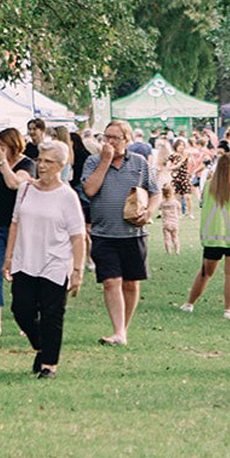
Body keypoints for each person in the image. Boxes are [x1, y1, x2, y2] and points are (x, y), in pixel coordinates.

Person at [3, 141, 86, 379]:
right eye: (40, 160)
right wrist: (8, 257)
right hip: (25, 259)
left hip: (55, 262)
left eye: (48, 161)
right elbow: (15, 223)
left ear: (61, 165)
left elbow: (78, 237)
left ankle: (49, 364)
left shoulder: (67, 196)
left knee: (52, 314)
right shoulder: (25, 189)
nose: (41, 165)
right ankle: (41, 345)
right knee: (21, 309)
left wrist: (78, 270)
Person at [81, 120, 161, 347]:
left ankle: (122, 330)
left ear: (127, 140)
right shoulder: (93, 161)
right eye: (106, 137)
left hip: (133, 234)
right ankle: (118, 331)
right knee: (111, 281)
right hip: (104, 234)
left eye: (115, 138)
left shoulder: (139, 163)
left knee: (131, 284)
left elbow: (155, 193)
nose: (109, 142)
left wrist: (149, 212)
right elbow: (89, 190)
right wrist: (105, 161)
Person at [0, 128, 36, 338]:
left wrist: (3, 163)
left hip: (20, 226)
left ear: (13, 144)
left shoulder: (27, 164)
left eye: (2, 144)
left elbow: (14, 184)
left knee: (21, 274)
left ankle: (25, 320)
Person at [181, 153, 230, 319]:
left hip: (212, 237)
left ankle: (189, 303)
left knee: (205, 273)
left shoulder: (209, 186)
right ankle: (229, 310)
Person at [170, 138, 195, 217]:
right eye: (179, 145)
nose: (181, 147)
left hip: (185, 177)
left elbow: (193, 163)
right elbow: (170, 166)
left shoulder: (186, 154)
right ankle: (180, 214)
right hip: (176, 178)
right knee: (178, 198)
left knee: (188, 197)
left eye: (183, 145)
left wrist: (190, 172)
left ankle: (190, 213)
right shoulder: (172, 156)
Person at [159, 186, 182, 254]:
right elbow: (179, 208)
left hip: (166, 223)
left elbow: (159, 208)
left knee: (167, 239)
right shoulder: (175, 202)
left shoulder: (162, 203)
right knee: (175, 237)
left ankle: (168, 251)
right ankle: (177, 251)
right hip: (174, 222)